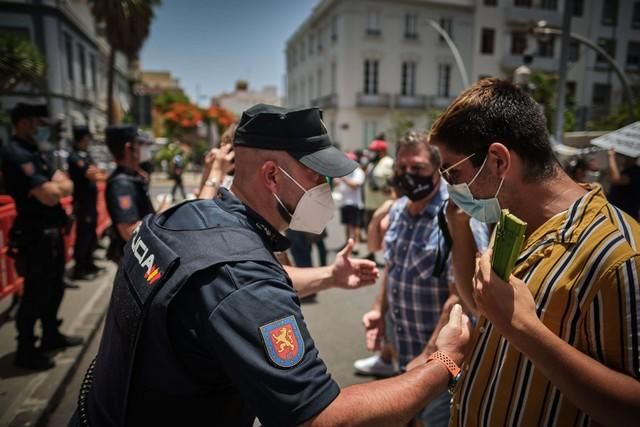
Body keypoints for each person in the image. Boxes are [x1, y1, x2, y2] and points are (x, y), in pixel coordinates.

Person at [70, 104, 471, 427]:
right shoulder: (239, 276)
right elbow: (320, 417)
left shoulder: (183, 220)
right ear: (272, 175)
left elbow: (228, 294)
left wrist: (330, 276)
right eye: (316, 177)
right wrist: (444, 361)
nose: (324, 190)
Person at [429, 77, 640, 426]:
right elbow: (482, 304)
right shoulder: (510, 223)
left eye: (453, 173)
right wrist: (460, 226)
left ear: (498, 161)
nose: (451, 187)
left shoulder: (618, 255)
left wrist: (524, 329)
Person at [355, 131, 460, 427]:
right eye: (402, 168)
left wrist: (428, 357)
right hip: (403, 350)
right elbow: (393, 267)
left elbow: (460, 298)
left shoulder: (454, 216)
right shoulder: (399, 209)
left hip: (437, 362)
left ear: (438, 170)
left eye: (417, 168)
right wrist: (379, 310)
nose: (407, 175)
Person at [2, 103, 83, 370]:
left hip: (51, 233)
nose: (42, 130)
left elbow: (64, 183)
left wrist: (56, 187)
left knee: (54, 287)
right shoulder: (15, 154)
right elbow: (48, 195)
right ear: (24, 122)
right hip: (34, 235)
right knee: (35, 293)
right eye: (39, 124)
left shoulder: (35, 152)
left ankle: (51, 335)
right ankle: (26, 349)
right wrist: (56, 187)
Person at [104, 125, 156, 263]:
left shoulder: (132, 176)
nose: (142, 148)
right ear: (128, 147)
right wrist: (161, 219)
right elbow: (129, 230)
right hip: (132, 257)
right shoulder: (121, 184)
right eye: (138, 143)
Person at [68, 125, 106, 280]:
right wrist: (96, 173)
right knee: (83, 236)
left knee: (90, 235)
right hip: (82, 203)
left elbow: (96, 171)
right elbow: (92, 174)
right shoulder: (75, 156)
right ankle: (79, 269)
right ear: (83, 138)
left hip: (91, 203)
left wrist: (96, 172)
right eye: (88, 137)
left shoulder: (86, 155)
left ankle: (89, 263)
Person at [363, 137, 394, 261]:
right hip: (370, 204)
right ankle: (372, 255)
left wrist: (384, 188)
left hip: (381, 205)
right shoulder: (373, 164)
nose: (372, 153)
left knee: (383, 232)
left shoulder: (388, 163)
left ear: (382, 151)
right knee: (370, 231)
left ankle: (386, 257)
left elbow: (393, 182)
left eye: (374, 151)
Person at [334, 152, 365, 251]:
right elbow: (336, 183)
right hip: (345, 202)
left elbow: (355, 185)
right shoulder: (345, 171)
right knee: (347, 225)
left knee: (354, 225)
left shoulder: (358, 172)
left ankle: (355, 244)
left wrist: (343, 179)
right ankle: (347, 244)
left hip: (354, 203)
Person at [607, 148, 639, 220]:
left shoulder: (635, 172)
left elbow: (616, 179)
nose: (624, 159)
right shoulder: (627, 171)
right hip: (620, 214)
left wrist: (611, 156)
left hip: (625, 216)